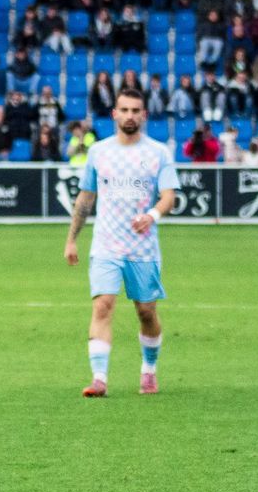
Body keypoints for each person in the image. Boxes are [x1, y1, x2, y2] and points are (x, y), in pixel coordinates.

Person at [65, 88, 179, 398]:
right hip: (106, 245)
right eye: (124, 110)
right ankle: (99, 379)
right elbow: (86, 196)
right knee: (103, 306)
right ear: (114, 114)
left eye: (135, 110)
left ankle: (149, 369)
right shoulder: (98, 152)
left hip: (143, 249)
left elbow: (169, 195)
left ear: (144, 114)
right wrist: (71, 240)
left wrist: (153, 214)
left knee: (146, 312)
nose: (130, 115)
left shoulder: (158, 153)